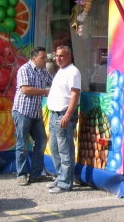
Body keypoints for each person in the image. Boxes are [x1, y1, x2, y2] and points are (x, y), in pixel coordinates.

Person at [12, 47, 53, 186]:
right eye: (42, 58)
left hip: (36, 113)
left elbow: (54, 84)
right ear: (34, 59)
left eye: (46, 57)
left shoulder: (44, 72)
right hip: (22, 112)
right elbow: (25, 89)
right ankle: (21, 174)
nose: (45, 60)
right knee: (22, 144)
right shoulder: (25, 69)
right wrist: (45, 92)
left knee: (41, 141)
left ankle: (36, 174)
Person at [46, 45, 81, 193]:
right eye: (56, 56)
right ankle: (61, 177)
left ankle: (66, 183)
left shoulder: (73, 72)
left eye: (61, 56)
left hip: (63, 115)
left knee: (65, 151)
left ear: (69, 57)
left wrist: (67, 115)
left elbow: (75, 94)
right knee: (55, 149)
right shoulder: (61, 71)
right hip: (54, 115)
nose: (58, 59)